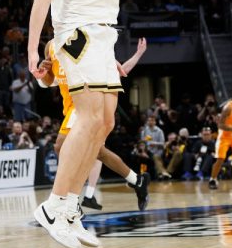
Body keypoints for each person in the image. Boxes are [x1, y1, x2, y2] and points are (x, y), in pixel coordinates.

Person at [28, 0, 124, 248]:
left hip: (103, 38)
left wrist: (109, 56)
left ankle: (70, 207)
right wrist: (34, 48)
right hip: (76, 36)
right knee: (86, 119)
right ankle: (53, 206)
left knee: (106, 122)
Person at [38, 37, 149, 207]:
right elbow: (48, 81)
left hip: (86, 102)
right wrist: (42, 72)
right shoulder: (50, 46)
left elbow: (118, 70)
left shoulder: (82, 39)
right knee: (98, 152)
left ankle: (67, 200)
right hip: (70, 106)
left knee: (60, 146)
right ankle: (137, 180)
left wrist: (135, 55)